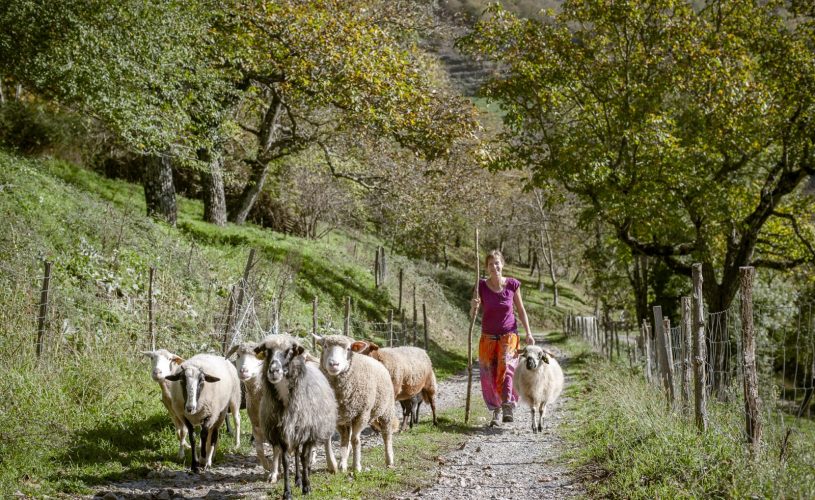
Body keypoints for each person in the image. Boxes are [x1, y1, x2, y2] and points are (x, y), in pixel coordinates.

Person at [470, 249, 535, 426]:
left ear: (502, 264)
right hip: (488, 337)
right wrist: (474, 306)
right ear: (486, 267)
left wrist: (528, 332)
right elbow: (472, 314)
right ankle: (496, 411)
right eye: (491, 264)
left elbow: (521, 311)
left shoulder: (513, 285)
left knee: (507, 368)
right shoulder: (481, 286)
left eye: (497, 263)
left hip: (509, 335)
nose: (494, 267)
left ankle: (507, 404)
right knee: (489, 374)